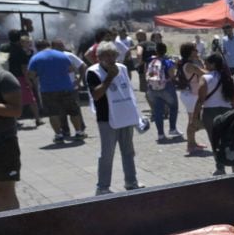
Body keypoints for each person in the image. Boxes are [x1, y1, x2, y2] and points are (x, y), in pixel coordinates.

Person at [86, 41, 143, 195]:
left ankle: (131, 182)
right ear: (99, 57)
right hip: (107, 118)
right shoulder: (93, 72)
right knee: (107, 154)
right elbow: (96, 94)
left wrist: (137, 115)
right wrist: (109, 77)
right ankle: (102, 187)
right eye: (107, 55)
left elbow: (129, 92)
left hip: (125, 116)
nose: (111, 58)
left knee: (128, 152)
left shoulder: (123, 68)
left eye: (114, 55)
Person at [28, 40, 86, 144]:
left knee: (53, 113)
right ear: (49, 46)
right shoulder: (62, 55)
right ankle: (78, 132)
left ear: (37, 48)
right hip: (66, 87)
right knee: (73, 111)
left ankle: (59, 135)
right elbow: (71, 69)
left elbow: (31, 75)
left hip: (48, 90)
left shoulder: (35, 58)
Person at [193, 52, 234, 176]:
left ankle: (220, 168)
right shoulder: (229, 78)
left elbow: (200, 100)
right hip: (227, 112)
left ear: (213, 64)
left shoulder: (205, 78)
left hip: (210, 113)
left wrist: (194, 118)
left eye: (206, 62)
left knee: (215, 141)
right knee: (230, 140)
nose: (204, 64)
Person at [0, 46, 22, 212]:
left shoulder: (2, 78)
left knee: (6, 189)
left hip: (2, 143)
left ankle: (15, 231)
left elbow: (15, 110)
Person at [147, 42, 182, 142]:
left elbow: (149, 74)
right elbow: (171, 76)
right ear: (165, 51)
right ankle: (172, 129)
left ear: (156, 51)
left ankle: (161, 134)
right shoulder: (167, 62)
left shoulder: (150, 60)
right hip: (166, 88)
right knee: (173, 107)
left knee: (158, 111)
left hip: (153, 88)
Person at [7, 30, 41, 128]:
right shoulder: (20, 51)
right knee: (31, 99)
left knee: (13, 99)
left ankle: (14, 121)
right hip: (20, 77)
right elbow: (24, 68)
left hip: (9, 76)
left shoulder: (5, 47)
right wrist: (28, 80)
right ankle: (37, 119)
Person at [177, 42, 207, 154]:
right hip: (191, 96)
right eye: (195, 50)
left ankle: (193, 143)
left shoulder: (185, 63)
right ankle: (190, 145)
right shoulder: (190, 65)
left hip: (188, 94)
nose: (197, 51)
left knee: (192, 119)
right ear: (190, 52)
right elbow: (205, 73)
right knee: (192, 120)